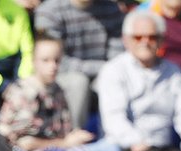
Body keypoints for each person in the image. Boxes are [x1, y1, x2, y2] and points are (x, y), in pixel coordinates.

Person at [0, 34, 121, 151]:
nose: (53, 66)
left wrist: (74, 138)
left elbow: (62, 131)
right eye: (45, 60)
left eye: (57, 60)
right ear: (34, 61)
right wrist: (66, 143)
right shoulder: (24, 92)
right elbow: (24, 144)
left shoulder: (57, 90)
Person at [95, 10, 181, 151]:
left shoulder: (173, 72)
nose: (145, 42)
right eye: (138, 37)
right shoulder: (114, 70)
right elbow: (114, 119)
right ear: (126, 40)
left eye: (152, 37)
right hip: (130, 148)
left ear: (161, 40)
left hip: (165, 150)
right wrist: (139, 143)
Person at [33, 0, 125, 129]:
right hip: (60, 77)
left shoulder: (111, 9)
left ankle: (114, 138)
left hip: (101, 76)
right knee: (78, 82)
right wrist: (103, 68)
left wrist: (106, 71)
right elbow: (56, 61)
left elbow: (117, 56)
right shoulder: (49, 11)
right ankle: (74, 138)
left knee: (113, 80)